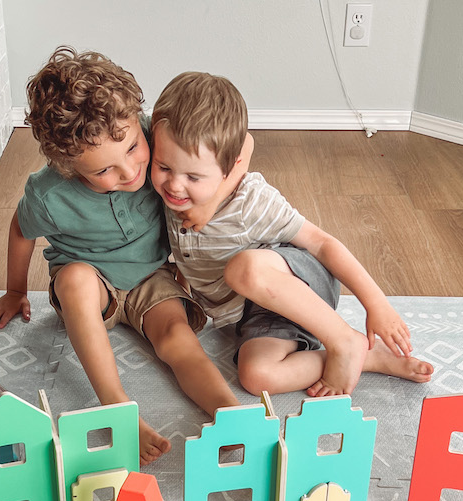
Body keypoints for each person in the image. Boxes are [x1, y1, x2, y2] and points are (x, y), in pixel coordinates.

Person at [0, 48, 246, 464]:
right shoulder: (49, 193)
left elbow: (243, 142)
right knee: (75, 281)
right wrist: (14, 292)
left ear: (138, 122)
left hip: (153, 275)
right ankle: (118, 407)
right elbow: (19, 228)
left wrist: (207, 206)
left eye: (133, 148)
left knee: (178, 338)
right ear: (69, 169)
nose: (128, 171)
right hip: (92, 280)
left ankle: (230, 412)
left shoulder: (156, 131)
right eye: (103, 171)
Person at [149, 72, 434, 399]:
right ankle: (367, 357)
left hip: (299, 280)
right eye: (164, 168)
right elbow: (243, 143)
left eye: (193, 177)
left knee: (245, 268)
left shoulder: (250, 202)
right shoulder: (170, 159)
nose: (174, 185)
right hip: (254, 311)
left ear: (231, 168)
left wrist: (376, 304)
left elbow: (322, 244)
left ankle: (342, 339)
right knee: (257, 377)